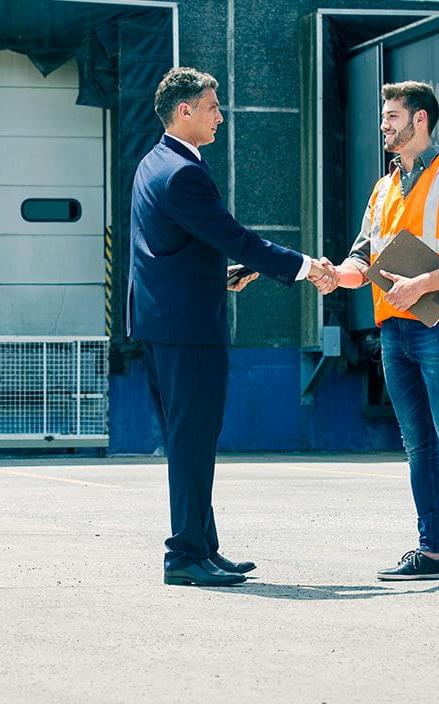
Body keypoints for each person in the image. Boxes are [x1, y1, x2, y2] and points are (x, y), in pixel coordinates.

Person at [128, 67, 333, 587]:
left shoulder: (154, 164)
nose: (222, 115)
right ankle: (185, 556)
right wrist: (307, 268)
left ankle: (203, 547)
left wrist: (218, 276)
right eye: (213, 106)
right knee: (193, 440)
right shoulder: (184, 173)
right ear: (185, 111)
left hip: (164, 322)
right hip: (188, 330)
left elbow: (169, 249)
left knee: (188, 439)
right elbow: (235, 237)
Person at [321, 81, 439, 588]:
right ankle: (432, 550)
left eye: (393, 116)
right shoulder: (382, 189)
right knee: (418, 446)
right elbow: (364, 258)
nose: (385, 125)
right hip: (394, 330)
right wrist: (336, 274)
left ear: (420, 120)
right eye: (384, 117)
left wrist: (423, 282)